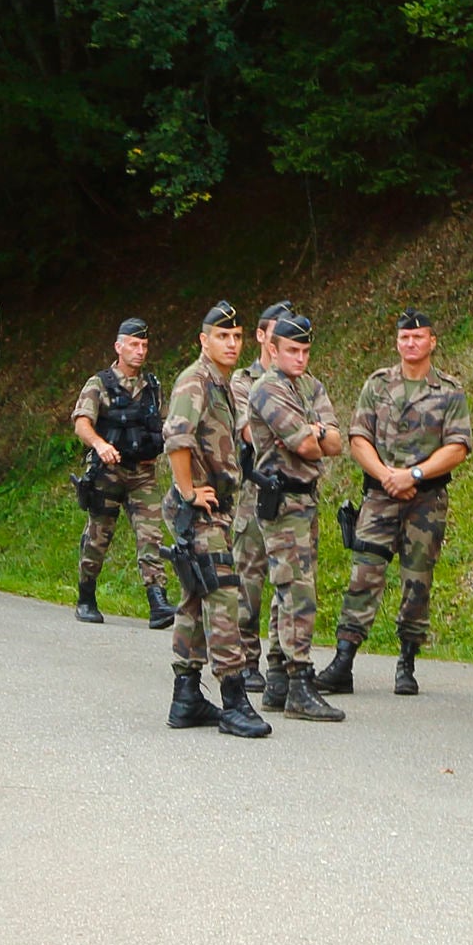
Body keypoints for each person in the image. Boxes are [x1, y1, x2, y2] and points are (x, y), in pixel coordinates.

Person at [322, 309, 471, 697]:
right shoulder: (377, 385)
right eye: (405, 338)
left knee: (417, 581)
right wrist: (388, 476)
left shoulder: (450, 391)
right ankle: (343, 659)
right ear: (397, 342)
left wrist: (413, 475)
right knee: (363, 575)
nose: (411, 344)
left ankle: (407, 662)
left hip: (426, 501)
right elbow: (358, 438)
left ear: (432, 341)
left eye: (418, 337)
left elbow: (457, 447)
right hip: (379, 497)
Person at [160, 301, 269, 738]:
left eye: (237, 336)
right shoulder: (195, 380)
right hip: (199, 509)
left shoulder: (221, 383)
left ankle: (185, 696)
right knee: (224, 595)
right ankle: (233, 696)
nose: (231, 343)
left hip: (216, 507)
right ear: (203, 340)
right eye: (222, 336)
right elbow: (176, 437)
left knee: (195, 595)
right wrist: (188, 491)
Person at [241, 306, 346, 720]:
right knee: (296, 590)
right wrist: (313, 432)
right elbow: (305, 444)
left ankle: (279, 674)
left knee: (292, 587)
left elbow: (335, 442)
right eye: (291, 350)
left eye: (304, 351)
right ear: (272, 347)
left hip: (305, 497)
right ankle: (299, 679)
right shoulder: (267, 388)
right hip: (280, 498)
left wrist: (314, 432)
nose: (299, 359)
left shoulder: (310, 386)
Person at [70, 318, 174, 627]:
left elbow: (164, 423)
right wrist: (100, 445)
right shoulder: (99, 384)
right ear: (119, 347)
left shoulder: (152, 387)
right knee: (98, 537)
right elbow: (81, 422)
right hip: (108, 473)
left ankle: (158, 601)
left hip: (143, 473)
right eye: (134, 344)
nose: (140, 351)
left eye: (144, 345)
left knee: (151, 536)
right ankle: (86, 595)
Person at [221, 299, 297, 697]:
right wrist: (297, 432)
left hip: (291, 489)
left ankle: (281, 659)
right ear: (262, 336)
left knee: (288, 577)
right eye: (277, 333)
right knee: (248, 577)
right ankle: (246, 657)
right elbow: (250, 432)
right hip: (255, 491)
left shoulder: (297, 379)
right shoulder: (242, 381)